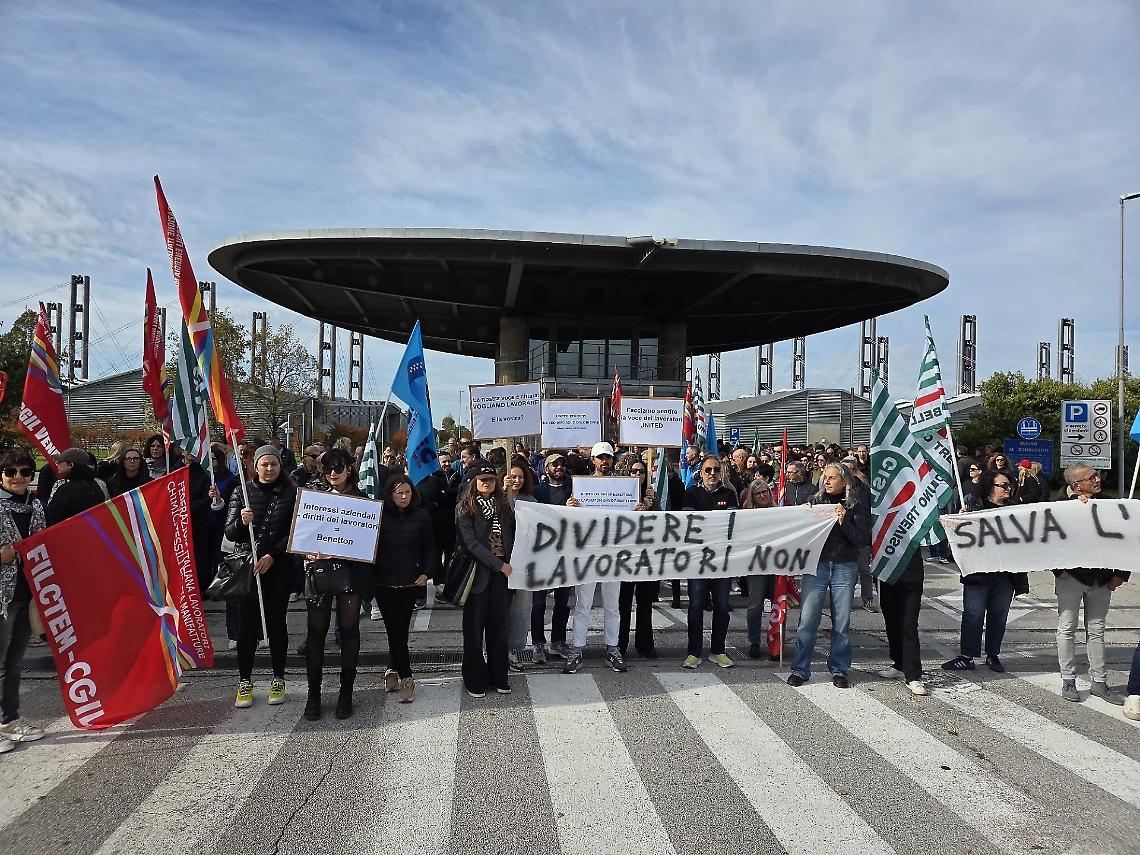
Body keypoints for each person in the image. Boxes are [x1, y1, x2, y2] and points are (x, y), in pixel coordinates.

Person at [302, 449, 372, 720]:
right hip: (319, 572)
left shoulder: (362, 500)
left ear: (349, 469)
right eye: (328, 468)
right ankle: (313, 695)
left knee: (349, 630)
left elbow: (368, 540)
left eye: (338, 467)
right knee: (316, 632)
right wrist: (306, 550)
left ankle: (346, 694)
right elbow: (300, 533)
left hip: (351, 573)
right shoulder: (313, 497)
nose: (333, 473)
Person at [226, 445, 297, 708]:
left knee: (277, 623)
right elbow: (230, 532)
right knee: (247, 626)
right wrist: (241, 522)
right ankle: (245, 680)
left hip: (278, 568)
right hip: (248, 569)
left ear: (280, 466)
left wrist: (273, 555)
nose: (269, 469)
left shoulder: (291, 493)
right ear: (255, 467)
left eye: (273, 464)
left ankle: (278, 677)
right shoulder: (241, 492)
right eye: (264, 464)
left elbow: (295, 531)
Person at [788, 464, 870, 689]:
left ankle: (839, 669)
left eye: (832, 478)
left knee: (841, 622)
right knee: (808, 620)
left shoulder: (856, 504)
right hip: (817, 565)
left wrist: (844, 521)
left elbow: (861, 539)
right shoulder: (815, 501)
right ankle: (800, 669)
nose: (827, 481)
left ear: (844, 481)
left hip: (845, 565)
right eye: (825, 477)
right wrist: (803, 515)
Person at [1053, 465, 1129, 705]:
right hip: (1071, 577)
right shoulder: (1061, 506)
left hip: (1102, 578)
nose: (1097, 479)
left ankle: (1099, 681)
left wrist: (1121, 573)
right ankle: (1068, 679)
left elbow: (1125, 538)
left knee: (1096, 630)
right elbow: (1049, 538)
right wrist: (1059, 570)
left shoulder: (1110, 505)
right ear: (1076, 486)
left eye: (1097, 475)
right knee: (1067, 627)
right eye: (1091, 477)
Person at [941, 469, 1020, 673]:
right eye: (1003, 485)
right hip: (978, 572)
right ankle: (967, 656)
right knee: (973, 614)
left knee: (999, 616)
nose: (1008, 489)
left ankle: (993, 654)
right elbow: (957, 538)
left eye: (1009, 485)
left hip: (1005, 573)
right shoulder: (974, 507)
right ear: (990, 487)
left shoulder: (1015, 510)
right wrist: (960, 521)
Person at [563, 442, 627, 674]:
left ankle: (612, 648)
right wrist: (569, 507)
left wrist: (640, 507)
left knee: (612, 605)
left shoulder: (623, 487)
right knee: (583, 604)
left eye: (608, 457)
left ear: (612, 460)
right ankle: (577, 649)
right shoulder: (582, 486)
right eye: (600, 457)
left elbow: (629, 515)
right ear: (593, 460)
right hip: (588, 552)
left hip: (613, 552)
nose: (604, 461)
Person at [0, 449, 47, 749]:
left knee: (14, 662)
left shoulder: (36, 505)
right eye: (11, 471)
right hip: (2, 597)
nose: (18, 477)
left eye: (25, 472)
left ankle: (9, 719)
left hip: (27, 594)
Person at [373, 473, 435, 702]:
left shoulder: (422, 516)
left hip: (410, 581)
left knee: (400, 629)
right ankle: (406, 676)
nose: (404, 496)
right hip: (383, 581)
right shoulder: (379, 515)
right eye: (399, 492)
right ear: (390, 494)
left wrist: (427, 572)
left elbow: (430, 547)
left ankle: (393, 669)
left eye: (407, 492)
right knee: (394, 629)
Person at [456, 464, 514, 697]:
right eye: (483, 479)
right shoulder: (465, 507)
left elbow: (517, 531)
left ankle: (499, 676)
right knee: (474, 630)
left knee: (500, 628)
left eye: (491, 479)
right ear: (474, 482)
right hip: (477, 575)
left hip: (502, 576)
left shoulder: (504, 505)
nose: (487, 483)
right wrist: (499, 565)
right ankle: (475, 679)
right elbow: (470, 544)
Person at [681, 453, 738, 669]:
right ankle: (693, 652)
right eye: (708, 470)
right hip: (697, 560)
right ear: (701, 472)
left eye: (716, 470)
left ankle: (718, 651)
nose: (712, 473)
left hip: (722, 560)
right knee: (695, 606)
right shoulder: (691, 493)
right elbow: (690, 523)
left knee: (722, 606)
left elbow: (732, 523)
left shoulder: (729, 494)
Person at [531, 452, 574, 662]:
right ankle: (538, 643)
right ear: (546, 468)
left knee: (562, 602)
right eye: (554, 464)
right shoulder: (536, 491)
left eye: (562, 464)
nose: (558, 467)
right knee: (538, 603)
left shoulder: (573, 490)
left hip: (565, 553)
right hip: (541, 554)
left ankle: (558, 641)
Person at [617, 455, 659, 659]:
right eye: (633, 471)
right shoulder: (619, 494)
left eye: (641, 471)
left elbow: (660, 522)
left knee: (645, 602)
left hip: (645, 556)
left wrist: (650, 506)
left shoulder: (652, 496)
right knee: (623, 603)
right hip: (624, 556)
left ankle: (645, 644)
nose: (637, 474)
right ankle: (620, 643)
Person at [878, 549, 928, 696]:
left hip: (911, 574)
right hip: (886, 571)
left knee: (909, 625)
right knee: (891, 622)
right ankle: (899, 663)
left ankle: (913, 675)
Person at [503, 458, 537, 671]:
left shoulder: (531, 502)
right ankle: (495, 649)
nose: (517, 480)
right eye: (513, 476)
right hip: (500, 563)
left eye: (521, 477)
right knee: (499, 608)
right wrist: (502, 492)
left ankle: (514, 649)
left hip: (524, 563)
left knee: (521, 609)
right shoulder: (496, 498)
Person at [741, 478, 778, 660]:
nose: (762, 495)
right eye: (758, 493)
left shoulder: (779, 512)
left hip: (777, 563)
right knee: (755, 605)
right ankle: (754, 641)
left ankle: (776, 642)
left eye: (765, 492)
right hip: (756, 565)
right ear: (752, 497)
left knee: (778, 604)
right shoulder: (746, 515)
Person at [423, 449, 461, 605]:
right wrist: (447, 495)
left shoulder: (457, 476)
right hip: (436, 524)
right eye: (443, 461)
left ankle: (448, 582)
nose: (446, 464)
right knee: (437, 555)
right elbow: (433, 495)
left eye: (448, 461)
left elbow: (460, 493)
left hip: (453, 523)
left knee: (451, 555)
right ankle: (439, 583)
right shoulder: (433, 477)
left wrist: (446, 493)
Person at [46, 448, 109, 525]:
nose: (57, 464)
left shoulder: (66, 489)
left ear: (71, 465)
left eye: (60, 462)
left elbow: (52, 517)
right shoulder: (96, 486)